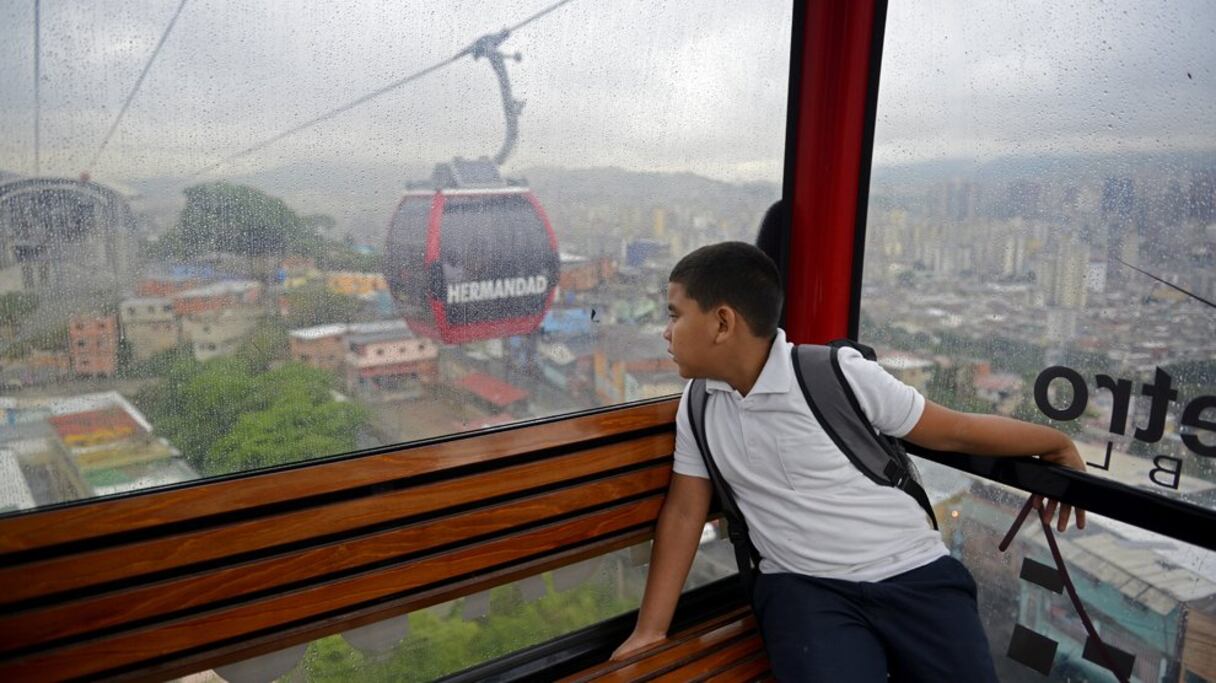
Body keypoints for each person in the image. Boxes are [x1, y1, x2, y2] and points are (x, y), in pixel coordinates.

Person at [611, 241, 1087, 681]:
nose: (665, 332)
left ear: (722, 323)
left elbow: (953, 430)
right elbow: (684, 510)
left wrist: (1055, 443)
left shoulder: (834, 375)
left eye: (675, 315)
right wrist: (650, 629)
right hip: (806, 591)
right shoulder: (699, 406)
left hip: (912, 572)